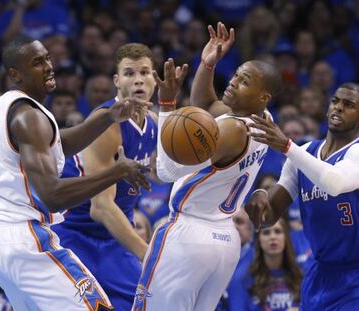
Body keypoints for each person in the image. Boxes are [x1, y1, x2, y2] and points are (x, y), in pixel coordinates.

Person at [0, 35, 152, 311]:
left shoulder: (8, 104)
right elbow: (53, 196)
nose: (48, 66)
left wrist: (107, 117)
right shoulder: (29, 118)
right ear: (16, 75)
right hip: (25, 239)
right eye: (37, 63)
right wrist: (116, 172)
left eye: (47, 58)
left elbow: (60, 143)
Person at [133, 21, 282, 310]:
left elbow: (166, 172)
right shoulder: (262, 120)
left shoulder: (231, 132)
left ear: (263, 96)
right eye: (236, 75)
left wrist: (165, 106)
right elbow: (206, 105)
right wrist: (208, 64)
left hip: (188, 235)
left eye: (244, 81)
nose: (234, 82)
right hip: (224, 240)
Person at [53, 43, 180, 311]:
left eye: (145, 72)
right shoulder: (106, 122)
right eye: (129, 73)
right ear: (117, 81)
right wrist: (150, 255)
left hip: (115, 239)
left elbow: (158, 173)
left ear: (155, 80)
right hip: (75, 234)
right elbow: (101, 208)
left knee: (153, 302)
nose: (138, 79)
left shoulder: (155, 123)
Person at [245, 82, 359, 310]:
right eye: (335, 101)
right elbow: (268, 217)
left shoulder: (355, 152)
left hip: (355, 274)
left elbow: (335, 183)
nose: (338, 108)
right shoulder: (304, 152)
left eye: (349, 105)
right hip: (319, 273)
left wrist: (287, 146)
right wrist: (258, 198)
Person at [227, 218, 302, 311]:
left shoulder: (300, 276)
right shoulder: (242, 279)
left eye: (278, 231)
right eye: (266, 233)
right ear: (258, 240)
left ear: (286, 238)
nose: (272, 237)